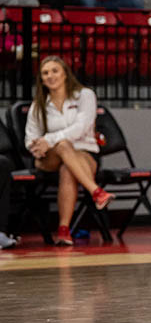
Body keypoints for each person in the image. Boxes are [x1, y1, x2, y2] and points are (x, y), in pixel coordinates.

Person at [24, 56, 113, 246]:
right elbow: (30, 138)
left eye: (55, 71)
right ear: (41, 79)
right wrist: (38, 146)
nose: (50, 76)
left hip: (84, 152)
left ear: (65, 73)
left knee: (67, 169)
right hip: (48, 157)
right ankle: (96, 192)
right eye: (45, 73)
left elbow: (81, 128)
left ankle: (64, 230)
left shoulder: (84, 95)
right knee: (63, 146)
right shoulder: (38, 105)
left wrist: (49, 139)